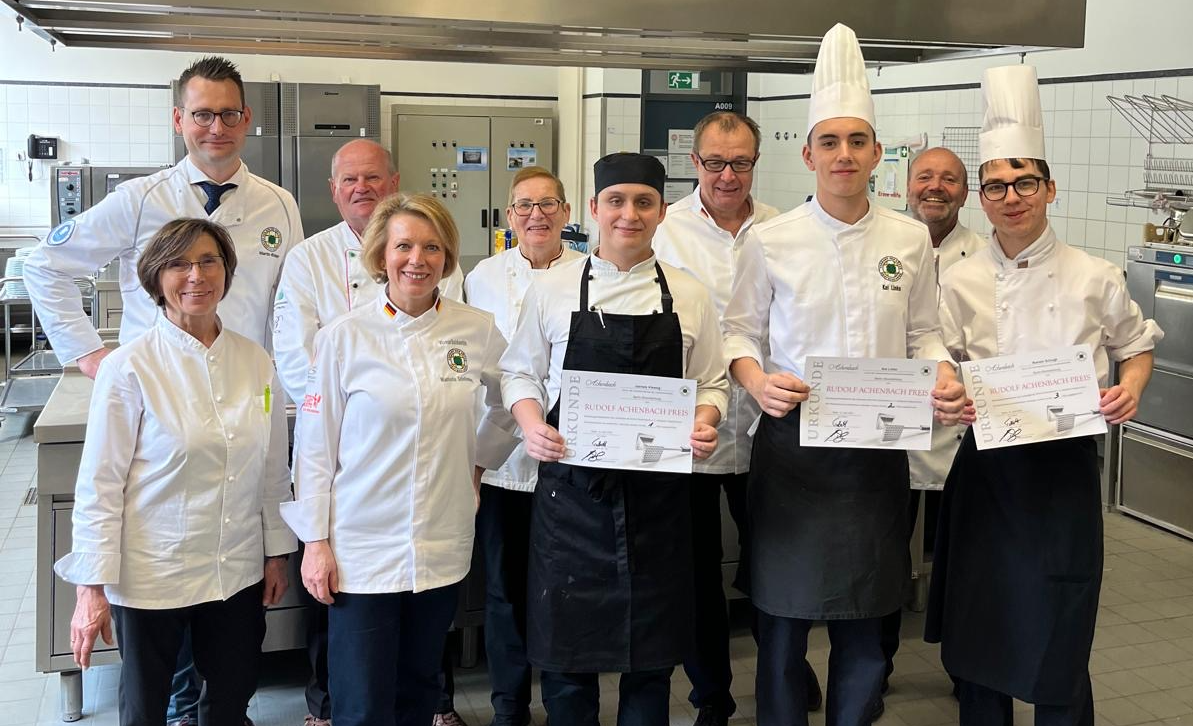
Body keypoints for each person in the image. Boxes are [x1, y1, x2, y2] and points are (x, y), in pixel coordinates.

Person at [24, 55, 302, 726]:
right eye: (200, 113)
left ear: (247, 119)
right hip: (161, 401)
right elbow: (42, 264)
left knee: (228, 652)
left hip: (246, 397)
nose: (215, 127)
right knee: (164, 669)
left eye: (228, 113)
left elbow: (290, 305)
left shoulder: (278, 204)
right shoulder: (141, 199)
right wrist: (89, 354)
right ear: (179, 120)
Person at [720, 24, 968, 726]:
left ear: (876, 154)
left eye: (856, 141)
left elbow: (925, 332)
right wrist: (754, 379)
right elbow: (739, 333)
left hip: (877, 452)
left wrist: (943, 376)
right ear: (807, 154)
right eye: (828, 141)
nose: (843, 154)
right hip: (793, 451)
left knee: (868, 615)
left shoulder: (907, 237)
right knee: (780, 620)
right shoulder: (769, 239)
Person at [925, 64, 1163, 726]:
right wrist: (943, 392)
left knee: (1059, 623)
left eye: (1023, 182)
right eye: (995, 186)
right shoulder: (959, 280)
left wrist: (1131, 388)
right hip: (984, 470)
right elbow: (937, 360)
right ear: (981, 197)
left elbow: (1134, 344)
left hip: (1061, 471)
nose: (1010, 196)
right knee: (980, 623)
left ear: (1048, 188)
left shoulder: (1095, 275)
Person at [501, 152, 729, 725]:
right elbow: (520, 372)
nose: (630, 214)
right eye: (617, 201)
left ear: (661, 212)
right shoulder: (553, 288)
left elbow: (713, 381)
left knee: (650, 663)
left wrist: (705, 420)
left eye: (644, 202)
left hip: (657, 504)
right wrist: (532, 425)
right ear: (597, 210)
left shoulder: (688, 293)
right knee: (566, 662)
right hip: (571, 502)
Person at [282, 193, 517, 726]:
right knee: (362, 701)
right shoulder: (344, 338)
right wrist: (315, 543)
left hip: (440, 540)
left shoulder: (475, 329)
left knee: (419, 690)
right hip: (361, 549)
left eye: (432, 247)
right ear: (380, 256)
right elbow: (316, 449)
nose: (418, 259)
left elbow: (512, 402)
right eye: (403, 246)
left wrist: (478, 465)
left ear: (448, 256)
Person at [54, 218, 295, 726]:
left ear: (227, 273)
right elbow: (99, 484)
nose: (196, 275)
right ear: (155, 277)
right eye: (178, 264)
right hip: (152, 573)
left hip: (236, 569)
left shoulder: (255, 362)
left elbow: (273, 468)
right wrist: (90, 590)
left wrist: (276, 553)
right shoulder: (130, 367)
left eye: (209, 261)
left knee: (229, 700)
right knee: (146, 707)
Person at [271, 138, 466, 726]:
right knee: (352, 665)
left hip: (432, 508)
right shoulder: (310, 263)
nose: (416, 259)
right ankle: (324, 708)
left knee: (419, 670)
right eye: (350, 180)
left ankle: (437, 709)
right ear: (334, 190)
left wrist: (473, 467)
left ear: (393, 181)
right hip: (355, 485)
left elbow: (479, 379)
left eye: (373, 177)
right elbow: (300, 363)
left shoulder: (454, 296)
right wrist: (364, 401)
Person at [652, 110, 822, 724]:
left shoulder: (785, 231)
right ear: (692, 162)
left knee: (775, 564)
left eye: (741, 162)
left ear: (757, 162)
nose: (728, 175)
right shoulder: (663, 230)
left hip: (767, 429)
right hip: (691, 433)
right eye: (715, 162)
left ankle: (788, 667)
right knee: (698, 578)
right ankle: (711, 697)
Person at [463, 166, 584, 726]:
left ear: (566, 212)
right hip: (501, 460)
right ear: (509, 217)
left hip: (571, 461)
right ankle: (508, 704)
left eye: (548, 204)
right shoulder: (483, 277)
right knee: (505, 591)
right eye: (524, 206)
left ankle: (565, 700)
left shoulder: (592, 274)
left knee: (567, 590)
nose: (536, 215)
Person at [879, 146, 985, 692]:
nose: (935, 187)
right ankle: (879, 666)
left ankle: (965, 666)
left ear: (964, 193)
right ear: (906, 185)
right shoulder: (885, 243)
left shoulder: (987, 259)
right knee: (885, 554)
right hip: (891, 424)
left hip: (959, 426)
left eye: (949, 180)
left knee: (960, 555)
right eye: (925, 177)